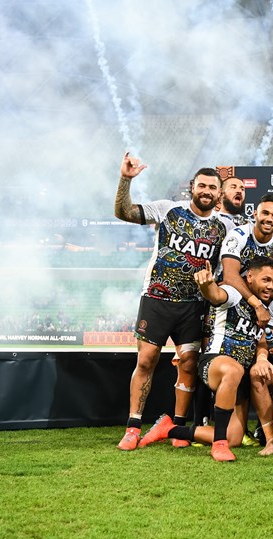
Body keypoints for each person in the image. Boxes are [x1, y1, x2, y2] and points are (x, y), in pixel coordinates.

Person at [113, 153, 232, 451]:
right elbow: (124, 211)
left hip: (194, 305)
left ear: (219, 194)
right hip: (157, 298)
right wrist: (126, 179)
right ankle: (133, 426)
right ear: (192, 187)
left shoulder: (225, 227)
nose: (206, 191)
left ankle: (177, 428)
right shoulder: (168, 210)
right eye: (201, 185)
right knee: (146, 359)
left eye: (212, 188)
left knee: (189, 364)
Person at [138, 256, 273, 462]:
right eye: (266, 280)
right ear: (249, 277)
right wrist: (206, 286)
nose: (271, 285)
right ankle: (219, 446)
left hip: (241, 379)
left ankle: (169, 429)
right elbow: (216, 295)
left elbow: (262, 341)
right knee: (234, 369)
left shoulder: (266, 308)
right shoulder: (235, 293)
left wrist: (264, 355)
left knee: (234, 438)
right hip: (215, 363)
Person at [219, 194, 273, 328]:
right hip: (226, 305)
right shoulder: (239, 235)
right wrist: (257, 304)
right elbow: (229, 276)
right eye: (265, 213)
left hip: (255, 311)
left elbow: (272, 291)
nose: (269, 219)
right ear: (255, 215)